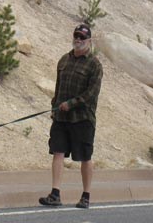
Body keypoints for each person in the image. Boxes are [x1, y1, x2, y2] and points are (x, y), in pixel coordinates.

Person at [38, 24, 103, 209]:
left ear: (89, 41)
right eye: (76, 36)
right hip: (61, 116)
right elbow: (58, 87)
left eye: (82, 37)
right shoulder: (64, 60)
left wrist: (71, 104)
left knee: (85, 157)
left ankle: (86, 196)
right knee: (57, 152)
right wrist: (55, 106)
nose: (78, 40)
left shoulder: (95, 65)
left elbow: (92, 94)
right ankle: (55, 193)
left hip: (83, 119)